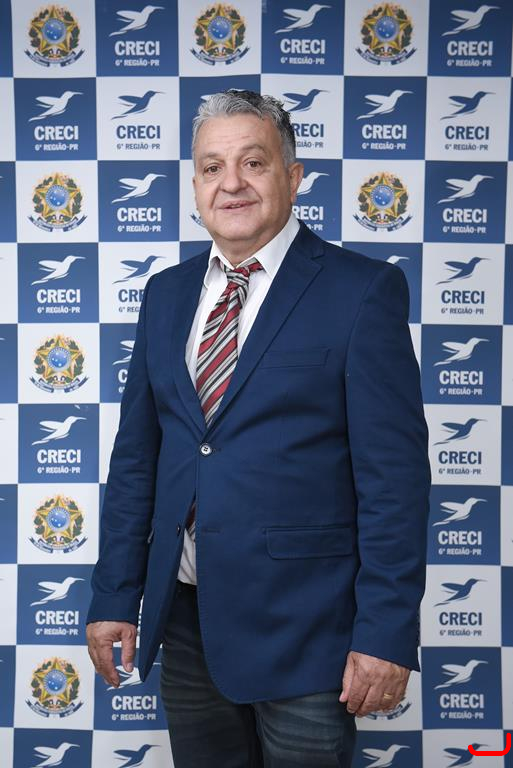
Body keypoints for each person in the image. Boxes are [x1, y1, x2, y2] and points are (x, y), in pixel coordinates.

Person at [86, 90, 431, 767]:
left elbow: (394, 483)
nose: (232, 183)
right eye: (211, 168)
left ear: (293, 177)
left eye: (253, 162)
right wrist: (114, 594)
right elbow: (136, 460)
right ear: (195, 185)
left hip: (309, 629)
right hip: (185, 618)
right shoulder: (166, 294)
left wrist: (385, 634)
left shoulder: (361, 291)